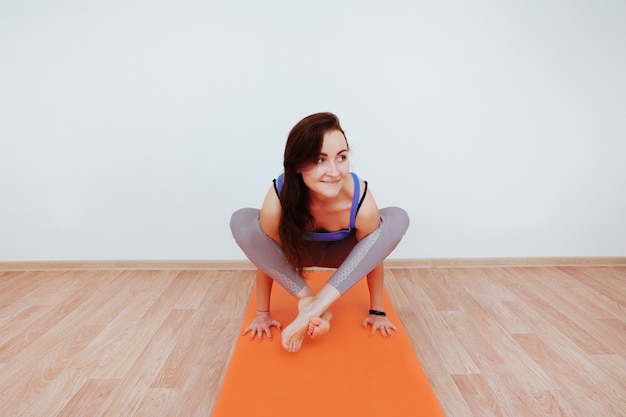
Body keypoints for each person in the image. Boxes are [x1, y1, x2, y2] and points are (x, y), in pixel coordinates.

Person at [230, 112, 409, 352]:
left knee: (396, 218)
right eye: (320, 160)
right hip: (296, 257)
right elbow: (267, 257)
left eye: (342, 157)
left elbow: (372, 254)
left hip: (343, 259)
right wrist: (262, 313)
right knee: (243, 221)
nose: (334, 172)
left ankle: (316, 305)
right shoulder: (279, 197)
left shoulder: (360, 198)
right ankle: (312, 303)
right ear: (296, 166)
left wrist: (377, 311)